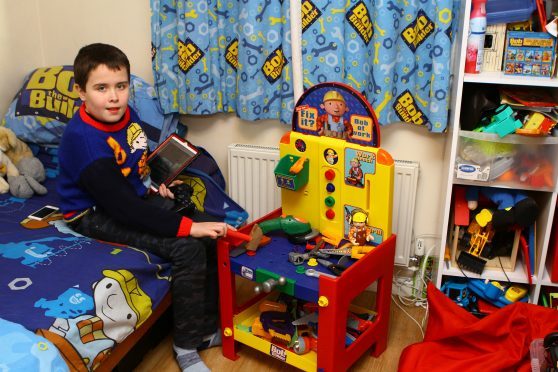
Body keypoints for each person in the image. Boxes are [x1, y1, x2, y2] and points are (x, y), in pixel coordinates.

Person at [57, 43, 228, 372]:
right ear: (80, 91)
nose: (114, 97)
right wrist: (187, 229)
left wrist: (150, 183)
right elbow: (124, 209)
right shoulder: (85, 141)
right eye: (101, 88)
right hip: (91, 213)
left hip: (126, 195)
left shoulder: (125, 114)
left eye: (121, 86)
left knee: (206, 225)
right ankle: (186, 346)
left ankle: (205, 329)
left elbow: (134, 160)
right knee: (188, 245)